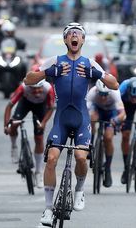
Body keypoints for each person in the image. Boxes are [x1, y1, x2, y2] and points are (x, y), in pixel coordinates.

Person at [23, 23, 118, 226]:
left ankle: (79, 191)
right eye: (70, 35)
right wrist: (48, 72)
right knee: (51, 159)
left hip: (81, 117)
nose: (74, 37)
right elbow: (28, 80)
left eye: (78, 35)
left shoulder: (90, 63)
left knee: (81, 157)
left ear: (82, 40)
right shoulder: (55, 61)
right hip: (62, 119)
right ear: (66, 40)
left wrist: (98, 74)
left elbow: (114, 84)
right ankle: (48, 210)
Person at [4, 79, 56, 187]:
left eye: (39, 89)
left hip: (41, 107)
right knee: (14, 124)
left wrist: (43, 123)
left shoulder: (49, 89)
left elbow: (51, 108)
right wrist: (6, 125)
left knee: (39, 138)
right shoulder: (23, 87)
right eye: (33, 89)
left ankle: (38, 172)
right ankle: (14, 146)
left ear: (43, 86)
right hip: (25, 103)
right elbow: (9, 106)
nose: (37, 92)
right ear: (29, 87)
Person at [86, 80, 125, 188]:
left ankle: (107, 168)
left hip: (111, 113)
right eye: (101, 94)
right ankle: (90, 144)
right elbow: (85, 110)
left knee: (108, 137)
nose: (103, 97)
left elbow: (122, 114)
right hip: (97, 109)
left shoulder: (115, 93)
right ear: (97, 91)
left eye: (105, 95)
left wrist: (116, 120)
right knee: (91, 118)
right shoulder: (92, 92)